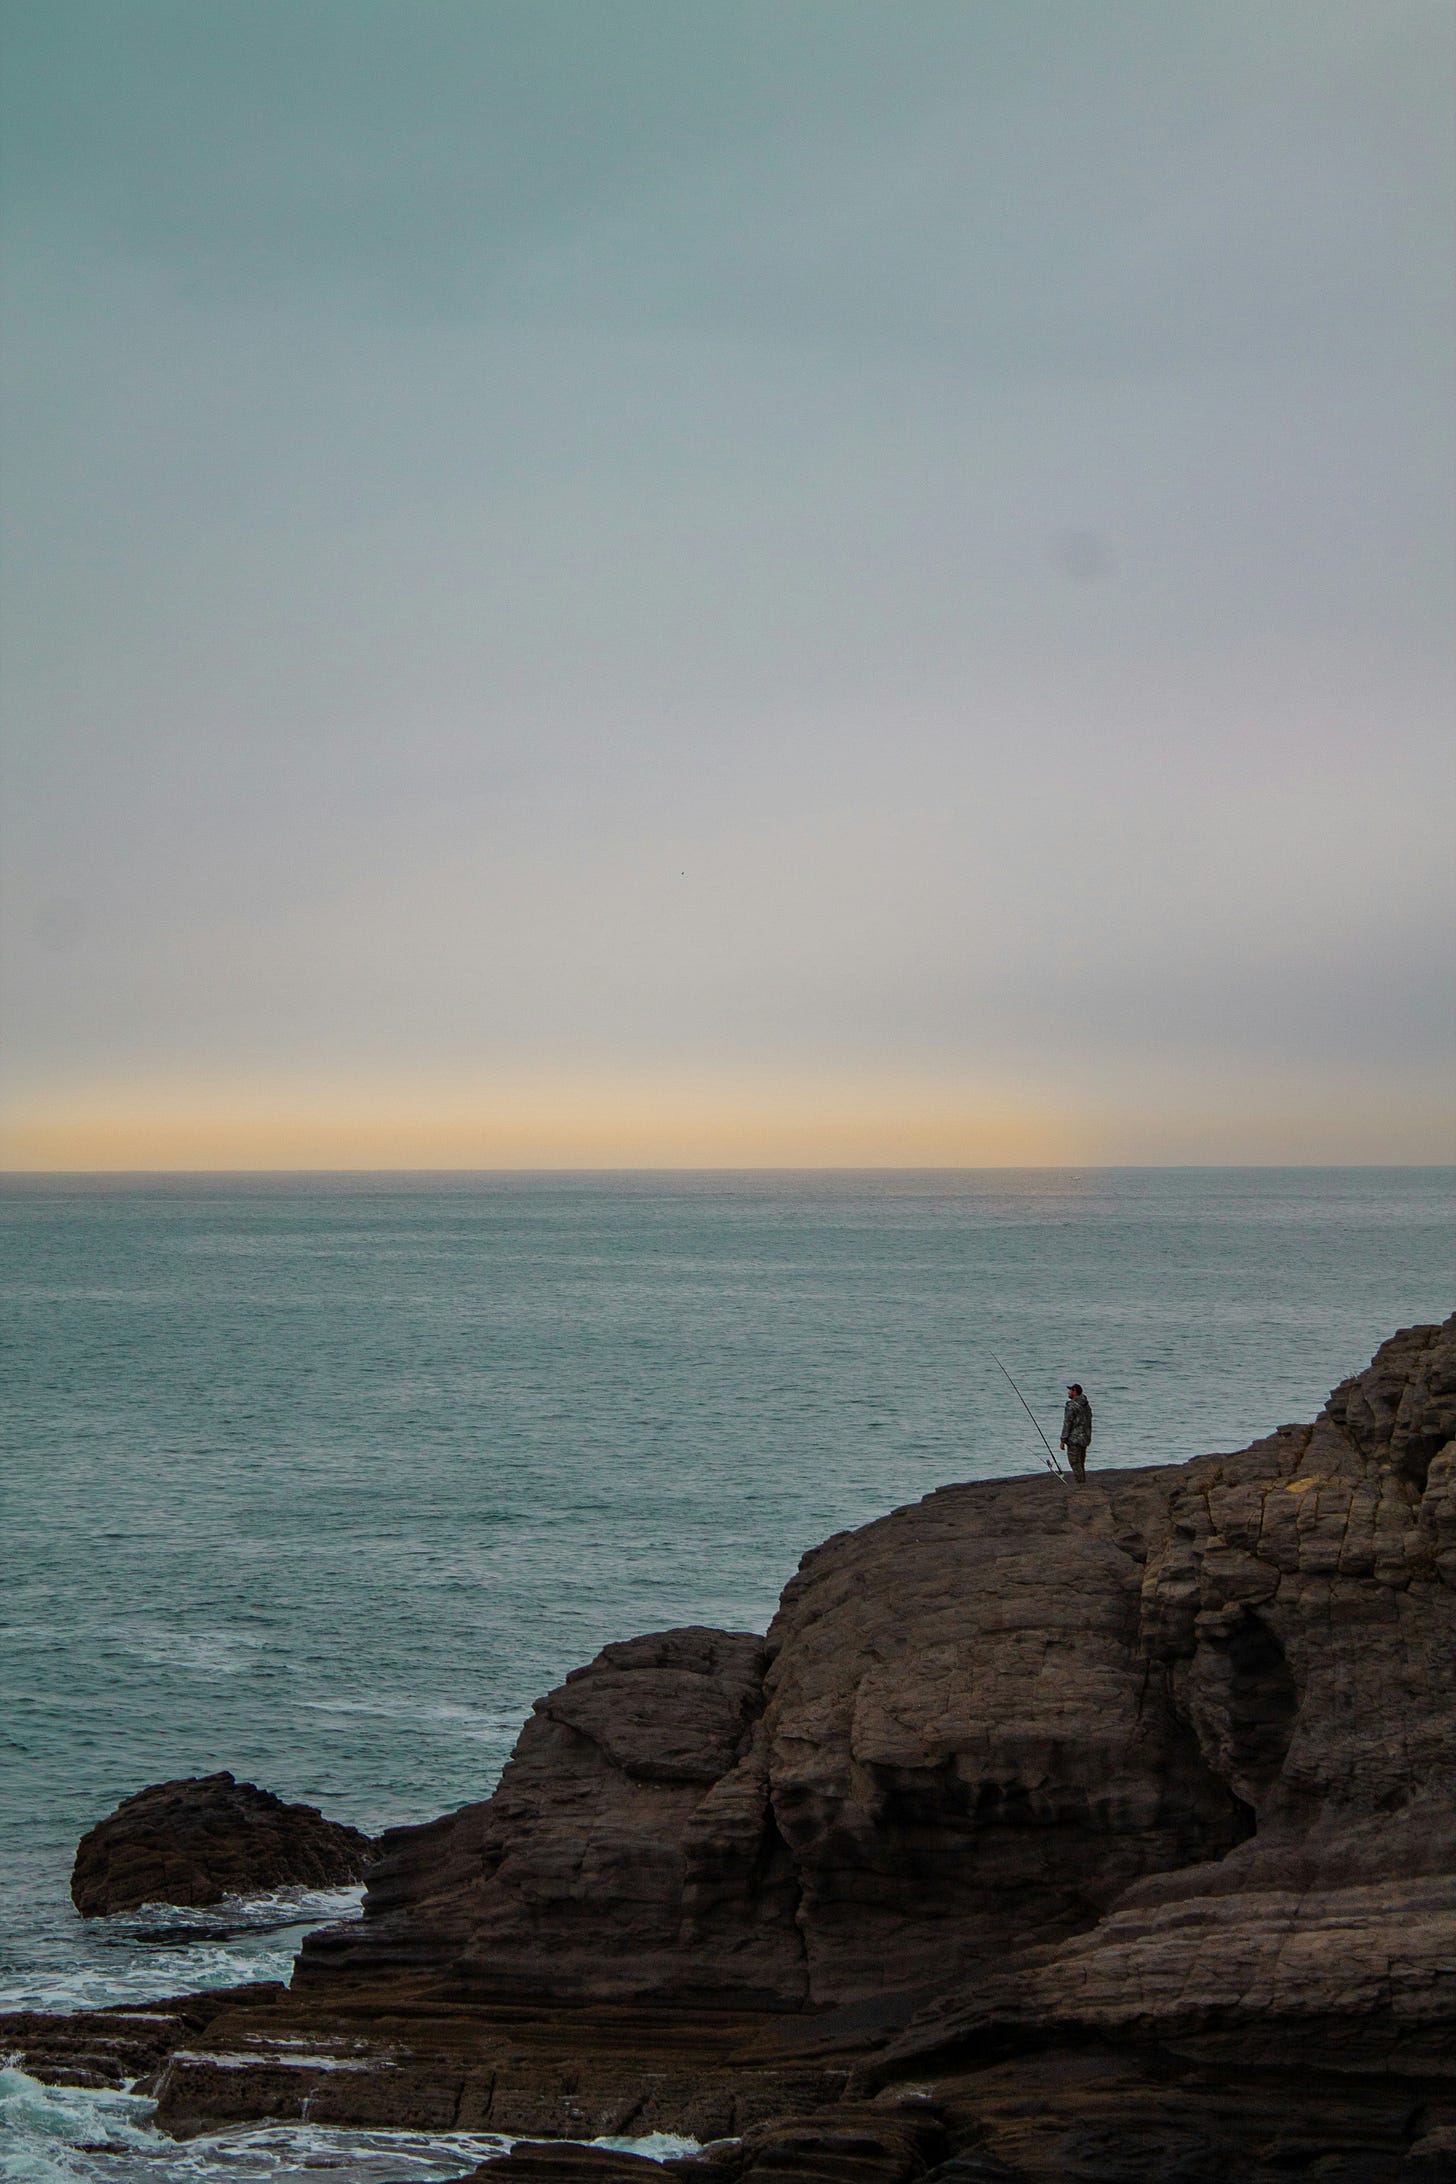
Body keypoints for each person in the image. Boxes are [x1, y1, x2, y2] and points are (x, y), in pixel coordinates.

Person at [1061, 1383, 1092, 1481]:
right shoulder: (1086, 1405)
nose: (1068, 1392)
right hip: (1085, 1438)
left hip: (1074, 1439)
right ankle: (1082, 1482)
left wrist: (1063, 1440)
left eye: (1070, 1390)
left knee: (1074, 1463)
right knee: (1081, 1463)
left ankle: (1080, 1484)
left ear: (1075, 1391)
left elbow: (1067, 1423)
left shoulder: (1071, 1406)